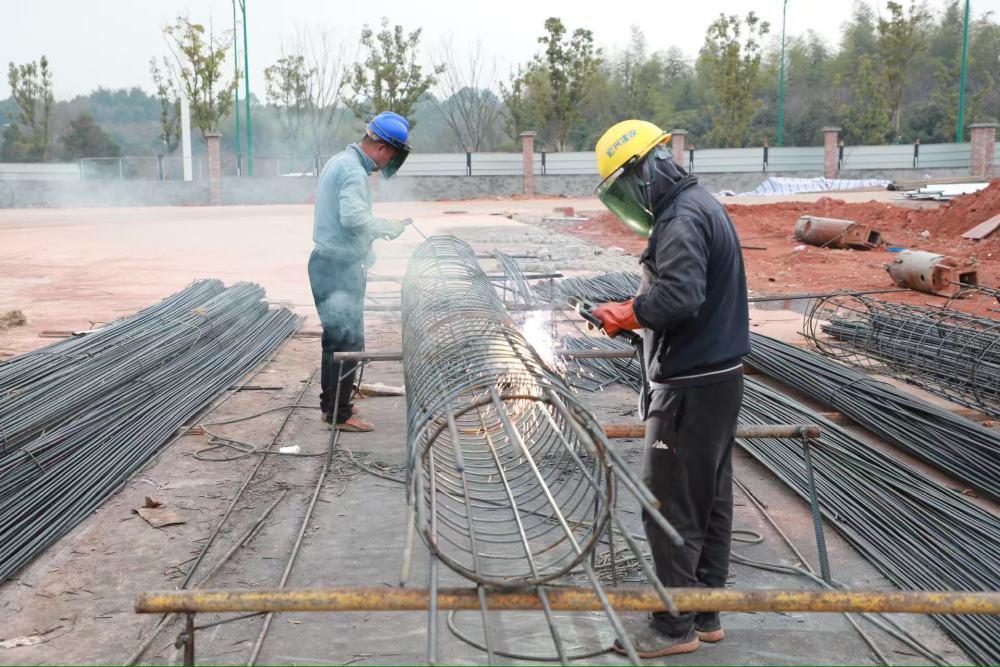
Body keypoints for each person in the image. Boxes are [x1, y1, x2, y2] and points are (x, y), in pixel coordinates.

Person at [591, 120, 750, 658]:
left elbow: (680, 295)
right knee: (710, 501)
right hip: (720, 380)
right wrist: (635, 312)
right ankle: (705, 613)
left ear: (643, 170)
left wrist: (629, 312)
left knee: (670, 504)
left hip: (689, 386)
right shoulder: (703, 204)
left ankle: (672, 628)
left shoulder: (681, 219)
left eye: (623, 187)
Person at [309, 111, 412, 432]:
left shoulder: (340, 160)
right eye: (391, 154)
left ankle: (333, 404)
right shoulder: (353, 171)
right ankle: (340, 413)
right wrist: (387, 227)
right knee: (348, 340)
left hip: (327, 262)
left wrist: (365, 248)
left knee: (335, 340)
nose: (387, 162)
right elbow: (353, 217)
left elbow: (346, 221)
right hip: (339, 268)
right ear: (381, 147)